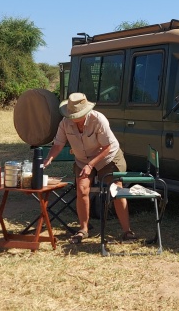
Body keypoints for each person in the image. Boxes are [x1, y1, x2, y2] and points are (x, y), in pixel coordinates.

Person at [42, 92, 135, 244]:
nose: (72, 117)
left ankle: (127, 231)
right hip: (82, 160)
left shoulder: (98, 119)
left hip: (108, 157)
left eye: (76, 114)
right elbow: (58, 144)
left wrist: (91, 165)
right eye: (70, 114)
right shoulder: (65, 123)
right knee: (82, 188)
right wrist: (48, 158)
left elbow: (107, 146)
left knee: (116, 189)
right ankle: (83, 229)